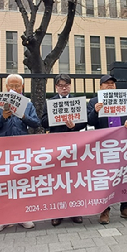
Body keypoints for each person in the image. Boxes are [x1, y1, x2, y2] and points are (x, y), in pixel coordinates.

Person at [0, 74, 41, 232]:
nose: (14, 89)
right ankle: (2, 218)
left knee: (21, 182)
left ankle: (23, 216)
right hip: (3, 147)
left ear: (22, 88)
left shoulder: (27, 104)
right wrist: (3, 118)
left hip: (21, 146)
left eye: (17, 86)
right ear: (6, 87)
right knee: (4, 183)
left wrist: (23, 116)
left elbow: (36, 122)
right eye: (11, 85)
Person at [87, 75, 127, 224]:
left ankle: (126, 208)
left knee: (125, 176)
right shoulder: (94, 101)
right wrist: (95, 111)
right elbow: (89, 121)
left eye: (112, 84)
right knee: (105, 178)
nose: (110, 86)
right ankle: (105, 209)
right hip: (104, 146)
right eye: (107, 83)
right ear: (100, 86)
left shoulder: (123, 98)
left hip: (123, 145)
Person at [41, 74, 86, 226]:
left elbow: (84, 123)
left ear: (70, 86)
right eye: (61, 85)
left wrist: (75, 126)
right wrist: (56, 118)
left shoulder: (76, 102)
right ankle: (57, 212)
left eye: (66, 85)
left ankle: (75, 211)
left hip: (74, 145)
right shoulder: (51, 102)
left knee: (73, 179)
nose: (64, 87)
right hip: (57, 145)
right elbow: (43, 122)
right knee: (58, 179)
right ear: (56, 87)